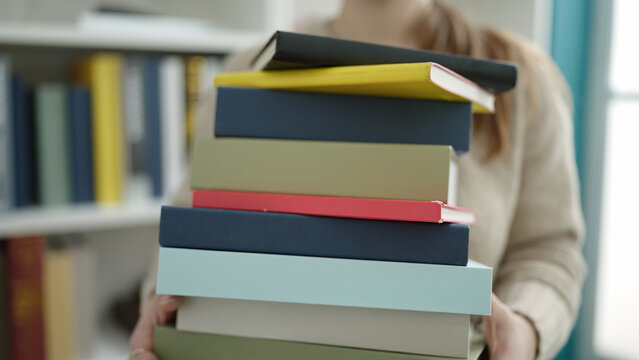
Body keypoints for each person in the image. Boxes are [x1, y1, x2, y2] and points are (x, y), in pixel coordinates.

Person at [129, 1, 586, 359]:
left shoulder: (522, 82)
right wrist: (160, 307)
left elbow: (549, 250)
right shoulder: (250, 71)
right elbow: (191, 223)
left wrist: (525, 328)